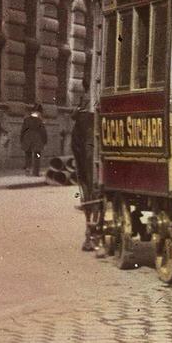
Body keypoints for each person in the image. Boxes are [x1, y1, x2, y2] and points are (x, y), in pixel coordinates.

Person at [70, 103, 96, 251]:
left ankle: (90, 232)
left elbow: (76, 148)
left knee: (87, 185)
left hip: (87, 149)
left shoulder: (82, 118)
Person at [20, 103, 47, 177]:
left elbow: (23, 130)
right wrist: (44, 141)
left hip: (27, 139)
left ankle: (27, 170)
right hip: (37, 140)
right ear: (39, 112)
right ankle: (36, 172)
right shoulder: (40, 120)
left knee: (28, 155)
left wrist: (22, 140)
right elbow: (43, 132)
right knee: (37, 156)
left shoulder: (26, 119)